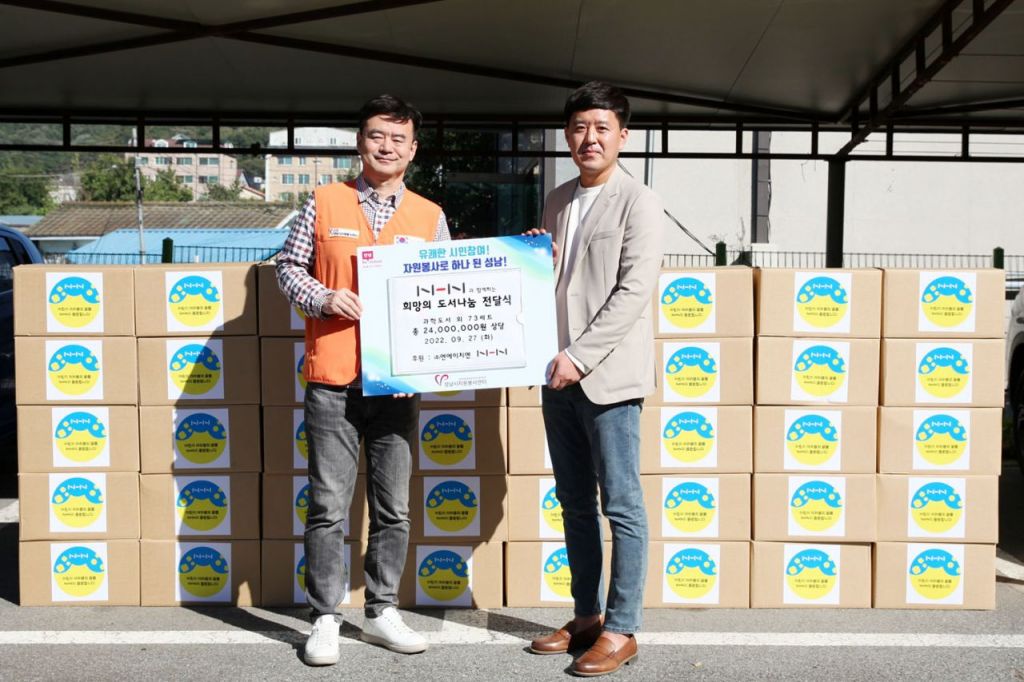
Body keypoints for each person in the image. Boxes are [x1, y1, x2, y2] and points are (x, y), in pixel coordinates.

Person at [276, 94, 450, 666]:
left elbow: (448, 293)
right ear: (360, 142)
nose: (387, 147)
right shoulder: (323, 201)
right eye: (377, 136)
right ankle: (325, 617)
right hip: (333, 378)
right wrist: (324, 297)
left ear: (413, 150)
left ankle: (381, 611)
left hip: (396, 385)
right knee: (328, 505)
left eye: (399, 139)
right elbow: (287, 268)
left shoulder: (429, 215)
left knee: (393, 507)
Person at [527, 81, 664, 677]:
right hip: (555, 375)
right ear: (567, 135)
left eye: (602, 127)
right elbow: (553, 282)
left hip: (606, 375)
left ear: (622, 136)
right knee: (574, 502)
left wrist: (579, 357)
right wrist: (532, 260)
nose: (591, 138)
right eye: (580, 127)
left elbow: (633, 291)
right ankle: (586, 616)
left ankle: (623, 626)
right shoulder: (557, 199)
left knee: (622, 504)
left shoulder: (640, 201)